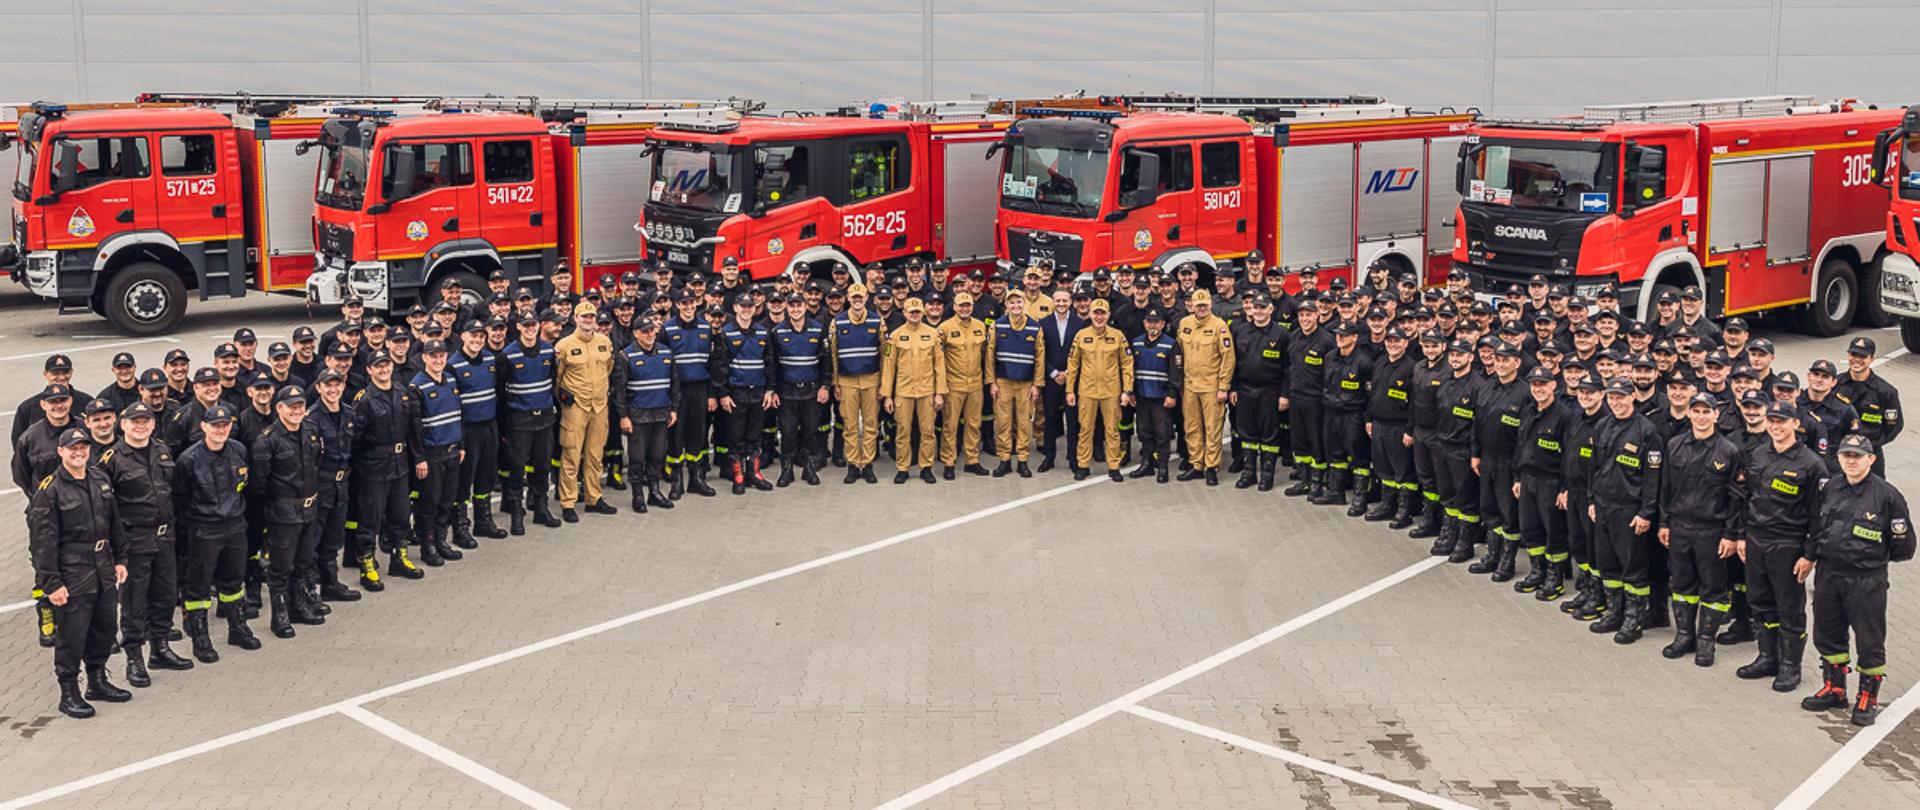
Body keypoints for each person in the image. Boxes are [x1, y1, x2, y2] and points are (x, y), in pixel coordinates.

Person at [1802, 434, 1912, 725]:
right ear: (1838, 458)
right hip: (1829, 575)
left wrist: (1870, 559)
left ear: (1871, 459)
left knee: (1869, 641)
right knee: (1827, 633)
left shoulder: (1887, 496)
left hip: (1866, 581)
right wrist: (1810, 556)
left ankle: (1868, 697)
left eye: (1858, 456)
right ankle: (1835, 688)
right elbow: (1817, 525)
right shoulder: (1831, 487)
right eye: (1846, 455)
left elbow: (1904, 547)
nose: (1851, 460)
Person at [30, 425, 131, 719]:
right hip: (72, 568)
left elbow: (115, 523)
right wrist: (51, 582)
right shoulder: (50, 490)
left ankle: (97, 681)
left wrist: (121, 559)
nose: (79, 452)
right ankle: (69, 690)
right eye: (72, 448)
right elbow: (42, 541)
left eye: (83, 447)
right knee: (73, 634)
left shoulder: (99, 478)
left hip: (103, 564)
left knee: (104, 627)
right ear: (60, 451)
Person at [1734, 402, 1829, 693]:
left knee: (1789, 607)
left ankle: (1790, 667)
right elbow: (1745, 498)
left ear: (1795, 424)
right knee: (1760, 602)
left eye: (1781, 421)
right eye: (1772, 421)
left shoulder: (1811, 464)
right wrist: (1741, 536)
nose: (1775, 426)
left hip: (1788, 543)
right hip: (1756, 539)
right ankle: (1767, 657)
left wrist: (1810, 554)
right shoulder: (1759, 454)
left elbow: (1819, 514)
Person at [97, 402, 192, 688]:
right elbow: (105, 510)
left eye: (146, 421)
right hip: (134, 540)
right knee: (134, 603)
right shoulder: (111, 459)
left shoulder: (162, 450)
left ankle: (160, 648)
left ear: (153, 425)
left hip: (164, 537)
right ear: (122, 424)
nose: (141, 425)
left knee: (164, 596)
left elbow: (172, 492)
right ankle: (134, 658)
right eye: (134, 421)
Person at [1657, 393, 1744, 666]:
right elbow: (1665, 488)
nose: (1702, 417)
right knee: (1681, 585)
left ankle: (1706, 641)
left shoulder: (1729, 451)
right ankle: (1685, 636)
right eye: (1697, 411)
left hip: (1712, 530)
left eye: (1707, 412)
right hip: (1680, 526)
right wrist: (1663, 522)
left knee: (1714, 588)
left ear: (1716, 415)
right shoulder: (1674, 445)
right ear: (1690, 414)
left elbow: (1735, 499)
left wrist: (1731, 534)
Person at [173, 404, 258, 663]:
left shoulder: (238, 450)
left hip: (235, 527)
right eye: (215, 425)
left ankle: (238, 628)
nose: (221, 430)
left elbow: (244, 487)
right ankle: (201, 639)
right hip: (204, 530)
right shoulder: (188, 460)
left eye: (225, 425)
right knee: (198, 588)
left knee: (233, 582)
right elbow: (179, 499)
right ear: (204, 427)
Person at [1587, 378, 1663, 644]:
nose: (1616, 402)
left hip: (1630, 510)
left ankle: (1634, 618)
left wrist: (1646, 513)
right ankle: (1613, 612)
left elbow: (1654, 478)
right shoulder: (1602, 425)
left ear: (1632, 397)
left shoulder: (1647, 432)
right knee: (1608, 564)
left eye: (1621, 397)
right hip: (1603, 506)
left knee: (1633, 569)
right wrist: (1591, 500)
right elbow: (1593, 468)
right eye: (1612, 397)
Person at [251, 386, 327, 639]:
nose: (297, 411)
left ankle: (299, 607)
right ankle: (279, 616)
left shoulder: (310, 431)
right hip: (283, 512)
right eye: (291, 406)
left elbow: (315, 465)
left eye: (300, 406)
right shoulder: (267, 439)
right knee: (280, 568)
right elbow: (260, 484)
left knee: (304, 563)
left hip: (308, 508)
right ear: (279, 408)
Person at [349, 350, 423, 584]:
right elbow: (355, 438)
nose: (383, 370)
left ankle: (399, 559)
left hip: (399, 464)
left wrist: (418, 458)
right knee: (370, 518)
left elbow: (413, 429)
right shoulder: (364, 399)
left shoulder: (402, 392)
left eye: (386, 365)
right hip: (373, 467)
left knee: (401, 514)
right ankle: (367, 565)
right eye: (378, 366)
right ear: (369, 370)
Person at [1513, 367, 1573, 600]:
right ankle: (1537, 571)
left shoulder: (1564, 415)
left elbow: (1569, 455)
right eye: (1534, 384)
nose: (1538, 388)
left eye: (1542, 384)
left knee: (1554, 533)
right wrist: (1517, 477)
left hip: (1551, 481)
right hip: (1528, 479)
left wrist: (1564, 488)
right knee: (1530, 530)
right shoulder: (1528, 411)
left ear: (1553, 386)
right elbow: (1520, 445)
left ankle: (1554, 579)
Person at [554, 303, 618, 520]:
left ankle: (593, 497)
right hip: (576, 408)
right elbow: (557, 377)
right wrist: (564, 398)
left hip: (599, 406)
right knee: (571, 454)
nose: (588, 320)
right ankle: (568, 502)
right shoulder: (563, 345)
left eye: (591, 316)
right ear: (575, 318)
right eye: (584, 316)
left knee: (595, 455)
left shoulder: (604, 342)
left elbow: (608, 369)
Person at [501, 314, 563, 532]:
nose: (529, 329)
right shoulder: (508, 355)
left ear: (539, 326)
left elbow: (553, 381)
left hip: (544, 419)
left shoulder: (548, 351)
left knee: (542, 466)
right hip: (519, 421)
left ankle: (541, 509)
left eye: (533, 325)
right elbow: (502, 391)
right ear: (518, 327)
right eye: (525, 325)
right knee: (517, 469)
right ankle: (517, 514)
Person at [409, 340, 468, 564]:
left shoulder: (451, 379)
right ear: (424, 357)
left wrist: (461, 444)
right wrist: (420, 458)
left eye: (441, 355)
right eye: (433, 356)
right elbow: (414, 428)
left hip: (452, 451)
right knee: (429, 503)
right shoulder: (417, 386)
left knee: (447, 500)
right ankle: (428, 545)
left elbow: (458, 413)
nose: (438, 360)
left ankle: (441, 540)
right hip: (432, 455)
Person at [613, 316, 679, 512]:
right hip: (637, 415)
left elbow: (675, 383)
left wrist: (674, 408)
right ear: (636, 333)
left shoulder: (667, 353)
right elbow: (620, 390)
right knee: (637, 458)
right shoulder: (626, 356)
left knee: (657, 455)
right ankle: (637, 496)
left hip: (660, 414)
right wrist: (623, 416)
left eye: (652, 330)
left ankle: (655, 492)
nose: (650, 334)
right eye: (645, 331)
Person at [450, 322, 507, 543]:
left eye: (480, 336)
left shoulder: (491, 359)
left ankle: (483, 521)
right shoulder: (453, 365)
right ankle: (460, 527)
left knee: (486, 475)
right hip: (468, 429)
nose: (477, 340)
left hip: (489, 426)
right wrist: (460, 440)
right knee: (464, 480)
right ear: (463, 336)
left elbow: (499, 391)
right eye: (472, 336)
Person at [1064, 299, 1132, 482]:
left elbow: (1127, 364)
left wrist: (1127, 390)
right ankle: (1083, 465)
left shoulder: (1118, 336)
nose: (1099, 317)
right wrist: (1069, 390)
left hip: (1111, 392)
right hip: (1087, 391)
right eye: (1096, 313)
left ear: (1109, 315)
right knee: (1085, 430)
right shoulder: (1081, 335)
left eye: (1103, 313)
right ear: (1091, 314)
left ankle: (1114, 466)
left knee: (1112, 431)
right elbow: (1072, 364)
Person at [715, 296, 777, 494]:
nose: (746, 309)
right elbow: (720, 367)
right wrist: (723, 394)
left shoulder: (763, 332)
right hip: (736, 395)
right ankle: (738, 475)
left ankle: (754, 474)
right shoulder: (726, 333)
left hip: (758, 393)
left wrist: (769, 390)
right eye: (743, 306)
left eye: (750, 306)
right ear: (735, 307)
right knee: (736, 438)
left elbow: (770, 364)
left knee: (755, 437)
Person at [881, 297, 946, 484]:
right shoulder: (894, 336)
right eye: (911, 311)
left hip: (927, 392)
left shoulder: (933, 335)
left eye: (918, 311)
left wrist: (939, 393)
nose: (915, 315)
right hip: (903, 392)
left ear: (922, 313)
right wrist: (887, 396)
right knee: (903, 432)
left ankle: (926, 467)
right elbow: (889, 368)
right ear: (904, 313)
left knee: (928, 431)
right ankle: (903, 468)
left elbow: (939, 366)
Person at [1229, 293, 1290, 491]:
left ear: (1271, 310)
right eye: (1256, 307)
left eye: (1263, 308)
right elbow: (1234, 363)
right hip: (1245, 390)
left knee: (1269, 436)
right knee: (1247, 433)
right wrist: (1234, 387)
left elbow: (1288, 368)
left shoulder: (1281, 334)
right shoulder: (1241, 331)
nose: (1259, 311)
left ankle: (1267, 475)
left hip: (1269, 391)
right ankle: (1248, 473)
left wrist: (1284, 394)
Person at [1176, 290, 1234, 485]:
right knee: (1191, 427)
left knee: (1212, 428)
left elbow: (1228, 358)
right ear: (1191, 305)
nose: (1201, 309)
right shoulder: (1184, 324)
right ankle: (1196, 465)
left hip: (1211, 387)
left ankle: (1211, 466)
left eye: (1204, 305)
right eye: (1197, 305)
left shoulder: (1219, 326)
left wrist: (1223, 387)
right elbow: (1179, 355)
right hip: (1190, 385)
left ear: (1210, 305)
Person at [830, 284, 886, 484]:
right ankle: (853, 464)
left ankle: (868, 464)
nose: (857, 299)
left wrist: (883, 384)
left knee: (871, 425)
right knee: (850, 425)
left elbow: (884, 355)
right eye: (853, 297)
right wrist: (835, 383)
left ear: (866, 297)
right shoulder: (837, 322)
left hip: (871, 379)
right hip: (847, 381)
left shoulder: (877, 320)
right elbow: (834, 356)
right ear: (848, 298)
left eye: (860, 296)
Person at [771, 295, 828, 487]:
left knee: (811, 432)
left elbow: (825, 361)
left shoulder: (818, 329)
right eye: (792, 306)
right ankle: (786, 470)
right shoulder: (778, 332)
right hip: (787, 393)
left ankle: (809, 468)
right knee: (787, 433)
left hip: (811, 391)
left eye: (799, 306)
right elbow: (773, 365)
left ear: (805, 307)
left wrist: (824, 386)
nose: (795, 309)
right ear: (787, 307)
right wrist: (773, 391)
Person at [987, 290, 1044, 478]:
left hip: (1026, 384)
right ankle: (1004, 460)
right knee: (1003, 423)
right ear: (1006, 305)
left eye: (1019, 302)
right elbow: (990, 356)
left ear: (1024, 303)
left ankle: (1022, 460)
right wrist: (992, 382)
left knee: (1024, 423)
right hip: (1003, 382)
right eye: (1011, 303)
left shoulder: (1035, 328)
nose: (1016, 306)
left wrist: (1037, 384)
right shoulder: (997, 326)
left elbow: (1040, 358)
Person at [938, 292, 991, 479]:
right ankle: (949, 461)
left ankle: (972, 461)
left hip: (975, 383)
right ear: (954, 307)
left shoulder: (980, 327)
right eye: (961, 305)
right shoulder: (944, 328)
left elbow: (986, 355)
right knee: (950, 425)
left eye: (968, 305)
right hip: (954, 384)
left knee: (974, 424)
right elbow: (938, 358)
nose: (965, 308)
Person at [1834, 336, 1902, 477]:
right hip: (1838, 452)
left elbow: (1893, 427)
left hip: (1869, 454)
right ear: (1848, 355)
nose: (1857, 359)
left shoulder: (1886, 392)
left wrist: (1870, 444)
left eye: (1863, 356)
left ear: (1872, 359)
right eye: (1853, 354)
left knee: (1875, 495)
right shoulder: (1835, 385)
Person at [1038, 289, 1084, 473]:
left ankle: (1073, 458)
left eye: (1064, 301)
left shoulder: (1080, 324)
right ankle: (1049, 457)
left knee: (1073, 422)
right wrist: (1054, 373)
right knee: (1050, 420)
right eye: (1058, 301)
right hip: (1051, 380)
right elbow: (1041, 353)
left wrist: (1068, 373)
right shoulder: (1043, 323)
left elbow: (1081, 353)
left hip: (1072, 381)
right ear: (1053, 302)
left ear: (1071, 302)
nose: (1061, 304)